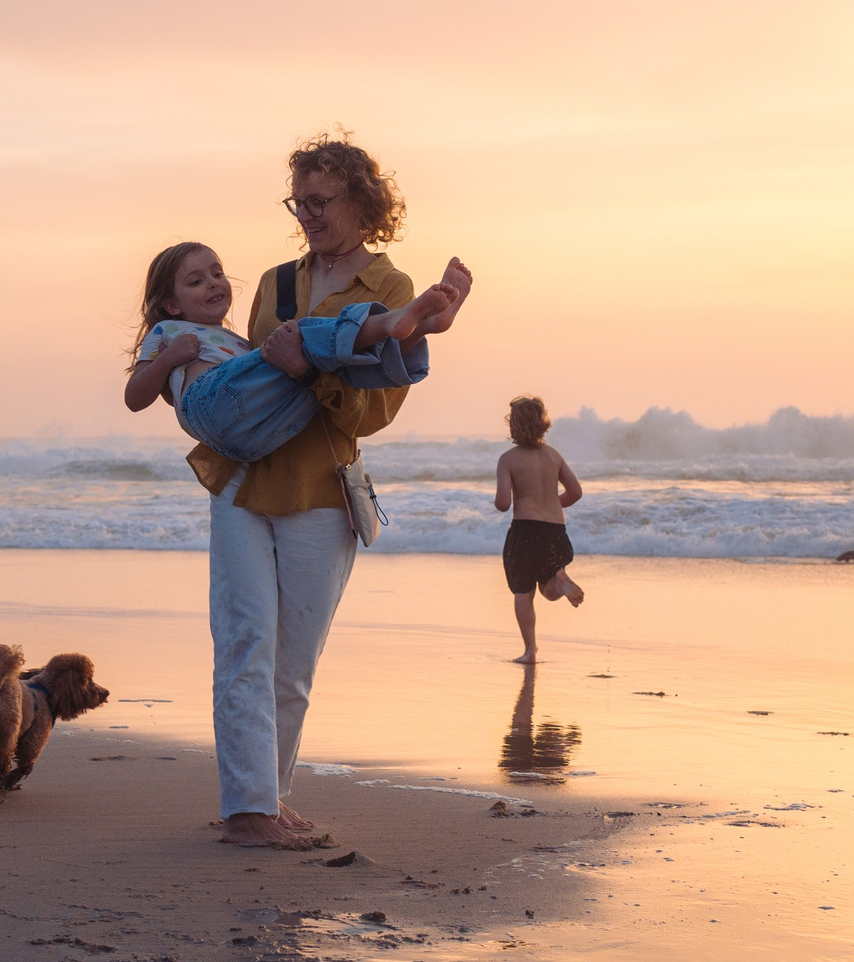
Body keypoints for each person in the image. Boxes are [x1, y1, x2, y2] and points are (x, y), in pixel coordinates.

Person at [174, 136, 471, 849]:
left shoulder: (393, 287)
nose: (306, 214)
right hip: (244, 481)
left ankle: (269, 796)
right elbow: (251, 390)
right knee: (243, 643)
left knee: (293, 660)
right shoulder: (275, 283)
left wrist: (309, 371)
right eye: (298, 202)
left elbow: (375, 413)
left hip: (321, 490)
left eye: (320, 201)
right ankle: (248, 810)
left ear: (363, 202)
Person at [123, 244, 462, 464]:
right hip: (210, 407)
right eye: (196, 282)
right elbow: (135, 397)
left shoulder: (237, 341)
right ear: (171, 305)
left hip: (255, 436)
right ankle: (394, 322)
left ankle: (417, 328)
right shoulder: (167, 332)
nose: (213, 283)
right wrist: (169, 359)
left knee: (332, 369)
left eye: (217, 273)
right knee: (300, 336)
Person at [493, 395, 584, 663]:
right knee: (548, 588)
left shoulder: (508, 459)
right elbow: (576, 492)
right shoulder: (554, 456)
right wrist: (551, 503)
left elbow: (503, 503)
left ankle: (530, 650)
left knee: (523, 592)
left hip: (525, 532)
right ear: (543, 423)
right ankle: (561, 582)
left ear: (513, 427)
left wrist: (502, 499)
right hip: (555, 531)